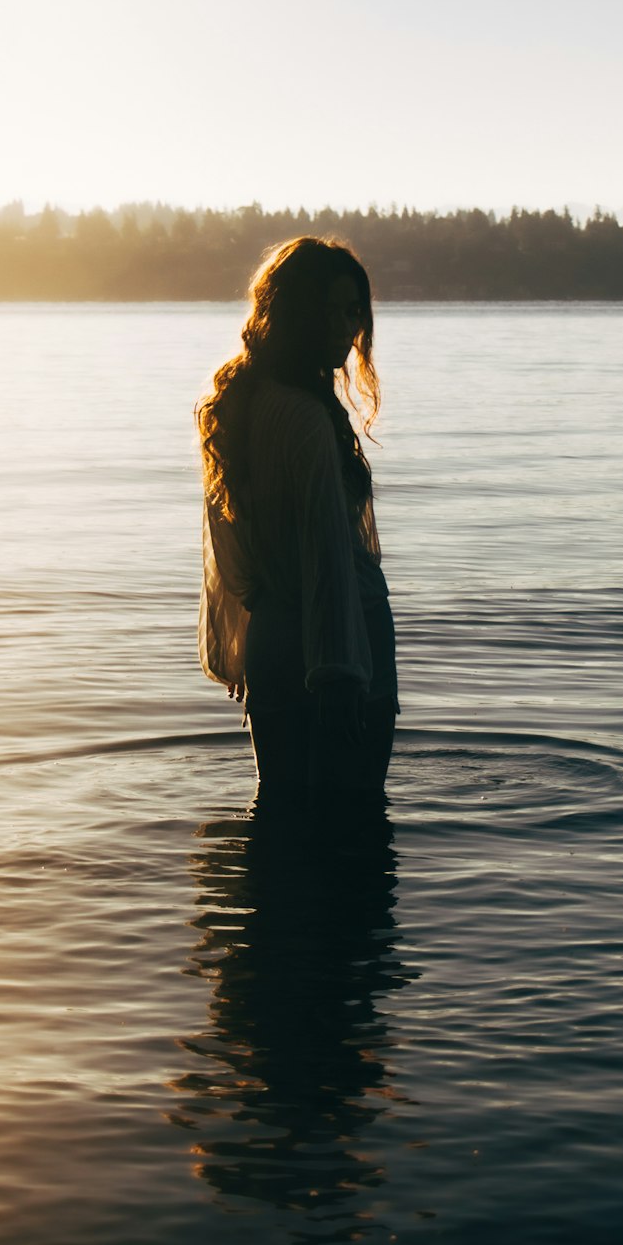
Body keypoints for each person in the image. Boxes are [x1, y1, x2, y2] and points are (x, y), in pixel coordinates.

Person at [196, 236, 397, 821]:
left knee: (279, 824)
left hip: (276, 640)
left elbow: (225, 533)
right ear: (295, 314)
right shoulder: (307, 418)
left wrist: (255, 623)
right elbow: (329, 552)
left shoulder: (240, 404)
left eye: (352, 312)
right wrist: (338, 670)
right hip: (342, 644)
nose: (344, 328)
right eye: (329, 311)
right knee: (354, 827)